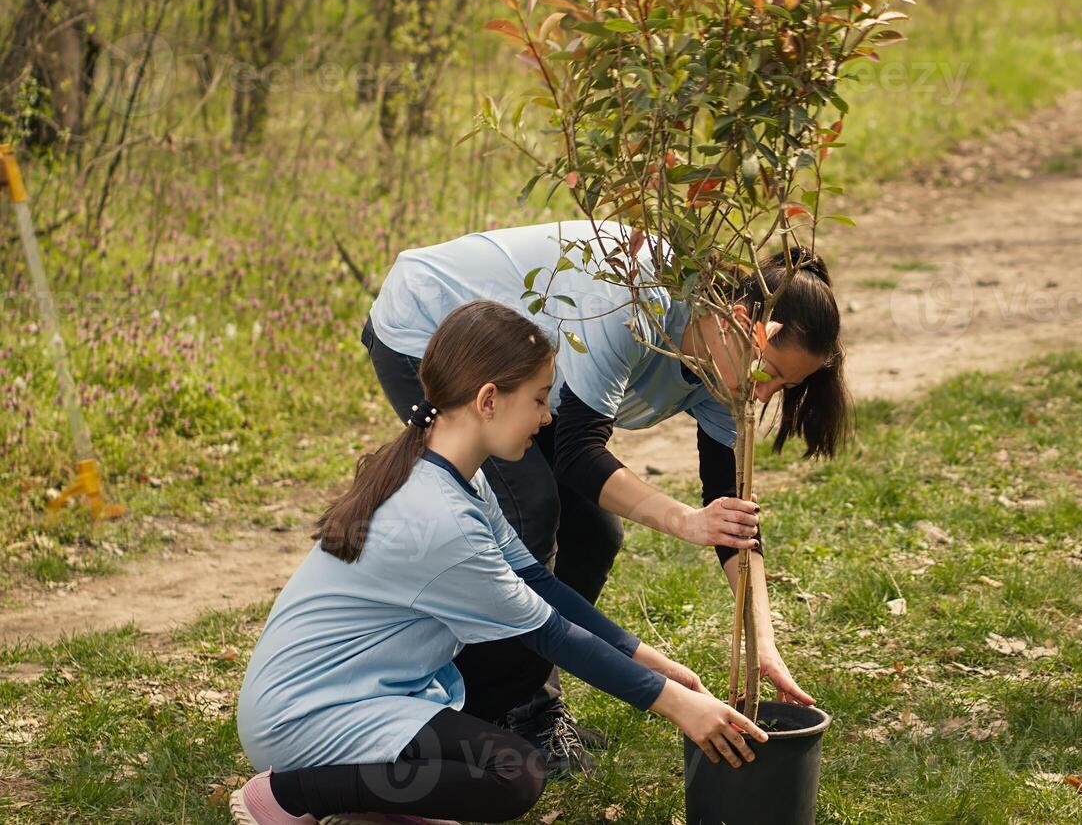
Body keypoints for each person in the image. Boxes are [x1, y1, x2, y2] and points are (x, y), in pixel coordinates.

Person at [232, 301, 766, 825]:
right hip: (305, 717)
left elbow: (537, 582)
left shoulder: (460, 475)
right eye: (537, 399)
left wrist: (652, 661)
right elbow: (549, 633)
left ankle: (369, 803)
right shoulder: (440, 518)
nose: (547, 415)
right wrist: (678, 706)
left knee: (490, 766)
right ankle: (288, 795)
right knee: (513, 776)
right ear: (489, 400)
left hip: (358, 695)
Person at [361, 219, 845, 774]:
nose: (763, 396)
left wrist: (764, 644)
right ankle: (507, 711)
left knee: (594, 533)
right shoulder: (635, 301)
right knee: (529, 513)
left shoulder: (722, 377)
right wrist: (686, 521)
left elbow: (731, 514)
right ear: (742, 323)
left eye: (782, 387)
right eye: (769, 373)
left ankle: (508, 704)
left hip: (526, 376)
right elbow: (579, 454)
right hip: (428, 323)